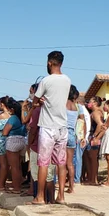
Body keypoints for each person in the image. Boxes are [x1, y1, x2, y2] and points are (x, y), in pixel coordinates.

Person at [30, 51, 71, 204]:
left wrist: (40, 102)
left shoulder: (46, 81)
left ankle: (40, 197)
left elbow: (35, 100)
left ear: (49, 63)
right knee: (61, 163)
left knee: (43, 163)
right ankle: (61, 196)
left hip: (48, 126)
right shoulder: (67, 80)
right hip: (63, 126)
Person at [2, 98, 25, 194]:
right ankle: (18, 185)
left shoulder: (13, 118)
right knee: (18, 166)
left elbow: (5, 132)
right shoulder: (23, 116)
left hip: (13, 140)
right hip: (22, 139)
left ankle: (16, 188)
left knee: (14, 166)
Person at [65, 85, 84, 194]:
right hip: (72, 134)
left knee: (60, 162)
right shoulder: (78, 107)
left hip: (62, 132)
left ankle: (58, 183)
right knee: (70, 163)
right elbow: (81, 120)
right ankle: (72, 187)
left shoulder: (63, 104)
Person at [84, 96, 105, 185]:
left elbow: (100, 124)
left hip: (93, 137)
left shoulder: (96, 112)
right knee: (92, 158)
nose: (89, 102)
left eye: (91, 101)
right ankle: (92, 178)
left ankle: (93, 179)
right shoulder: (98, 111)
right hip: (94, 137)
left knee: (92, 159)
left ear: (95, 103)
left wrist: (95, 136)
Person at [74, 95, 90, 184]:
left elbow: (83, 124)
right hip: (82, 137)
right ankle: (76, 178)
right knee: (77, 158)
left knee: (77, 158)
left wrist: (83, 137)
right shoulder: (84, 110)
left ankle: (76, 179)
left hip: (80, 137)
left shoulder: (81, 109)